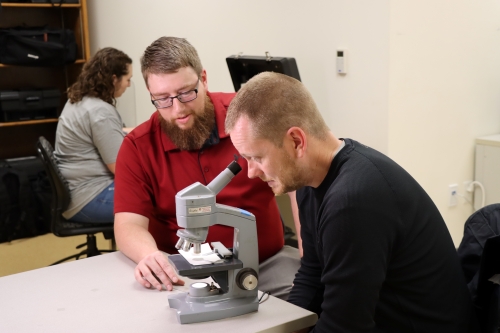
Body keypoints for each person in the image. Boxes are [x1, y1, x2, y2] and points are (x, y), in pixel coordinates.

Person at [225, 72, 478, 332]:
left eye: (256, 157)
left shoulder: (353, 200)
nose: (251, 172)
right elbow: (312, 277)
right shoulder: (310, 183)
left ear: (297, 141)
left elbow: (344, 326)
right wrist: (287, 327)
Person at [113, 37, 301, 300]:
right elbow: (128, 224)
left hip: (266, 264)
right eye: (163, 99)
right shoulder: (138, 147)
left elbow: (298, 185)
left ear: (203, 78)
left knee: (311, 305)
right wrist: (150, 256)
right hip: (185, 274)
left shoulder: (248, 117)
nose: (178, 109)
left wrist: (309, 254)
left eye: (186, 93)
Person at [54, 47, 133, 223]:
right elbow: (122, 170)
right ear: (114, 79)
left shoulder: (78, 100)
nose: (128, 84)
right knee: (156, 200)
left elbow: (101, 134)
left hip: (75, 191)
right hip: (90, 196)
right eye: (128, 79)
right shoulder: (101, 111)